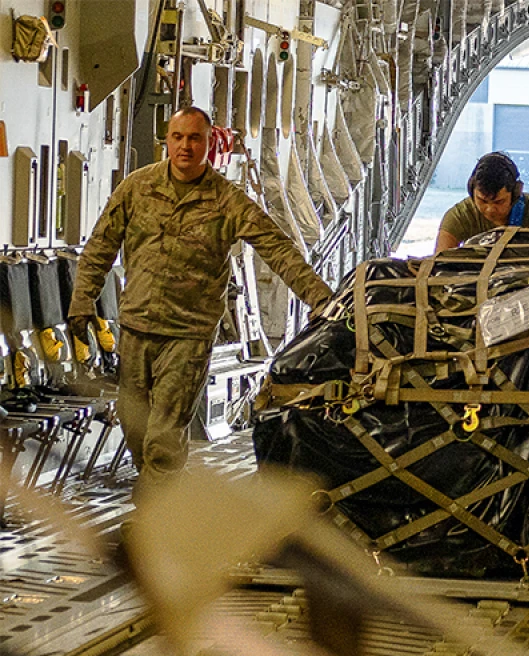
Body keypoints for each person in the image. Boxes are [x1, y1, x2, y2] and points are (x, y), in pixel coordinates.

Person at [68, 106, 334, 498]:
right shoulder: (138, 188)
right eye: (178, 137)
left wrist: (320, 298)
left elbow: (277, 249)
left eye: (195, 138)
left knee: (163, 437)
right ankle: (160, 503)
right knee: (134, 424)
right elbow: (100, 247)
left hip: (187, 334)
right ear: (167, 141)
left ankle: (150, 524)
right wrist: (81, 302)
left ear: (209, 144)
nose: (186, 146)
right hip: (137, 326)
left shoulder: (227, 201)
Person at [435, 152, 529, 253]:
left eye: (499, 202)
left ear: (515, 193)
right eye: (482, 201)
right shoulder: (459, 216)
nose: (490, 209)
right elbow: (440, 262)